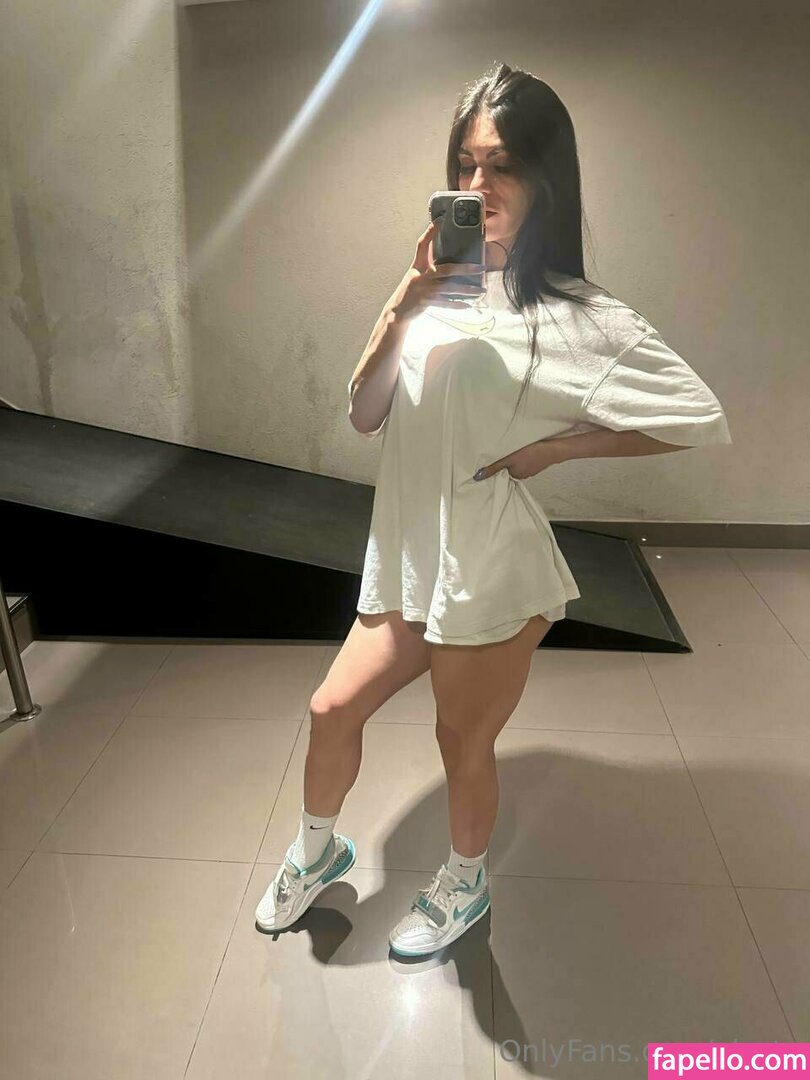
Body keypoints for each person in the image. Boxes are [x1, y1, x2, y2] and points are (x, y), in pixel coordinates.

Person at [255, 62, 732, 955]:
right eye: (465, 164)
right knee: (329, 710)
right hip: (409, 556)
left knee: (458, 741)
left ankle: (464, 883)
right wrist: (407, 300)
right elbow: (364, 412)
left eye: (502, 165)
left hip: (485, 565)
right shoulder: (432, 282)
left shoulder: (578, 316)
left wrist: (556, 449)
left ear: (547, 176)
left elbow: (694, 413)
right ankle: (318, 852)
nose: (478, 185)